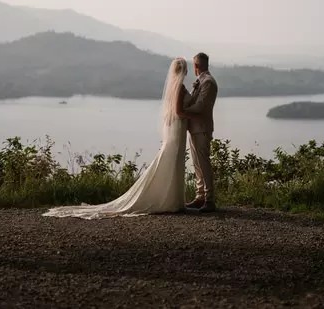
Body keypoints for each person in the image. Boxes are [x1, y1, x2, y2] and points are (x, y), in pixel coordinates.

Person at [42, 57, 190, 219]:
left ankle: (171, 200)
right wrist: (194, 114)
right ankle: (172, 201)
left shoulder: (172, 88)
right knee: (174, 161)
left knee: (171, 161)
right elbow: (179, 112)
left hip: (173, 128)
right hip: (177, 128)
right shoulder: (180, 89)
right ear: (184, 70)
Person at [180, 52, 219, 213]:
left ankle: (209, 200)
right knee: (197, 165)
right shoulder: (201, 81)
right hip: (194, 128)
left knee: (204, 164)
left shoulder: (208, 82)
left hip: (202, 128)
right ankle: (200, 196)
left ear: (196, 66)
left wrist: (182, 111)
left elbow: (200, 106)